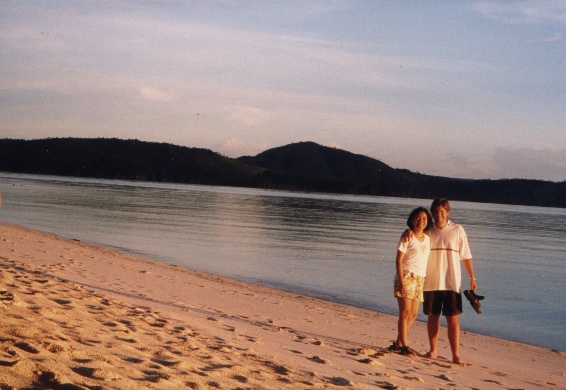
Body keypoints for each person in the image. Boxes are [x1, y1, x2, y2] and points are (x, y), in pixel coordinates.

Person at [402, 198, 478, 365]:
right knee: (433, 317)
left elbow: (466, 256)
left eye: (442, 211)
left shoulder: (457, 230)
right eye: (435, 212)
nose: (439, 214)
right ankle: (433, 350)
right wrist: (408, 231)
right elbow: (414, 235)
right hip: (430, 280)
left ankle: (455, 355)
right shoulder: (428, 230)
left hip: (451, 282)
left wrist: (472, 277)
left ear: (448, 212)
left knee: (453, 319)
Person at [390, 207, 432, 356]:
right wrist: (401, 281)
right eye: (418, 218)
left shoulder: (427, 239)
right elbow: (399, 260)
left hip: (420, 279)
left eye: (424, 219)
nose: (421, 221)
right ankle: (404, 345)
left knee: (413, 314)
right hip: (406, 276)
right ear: (412, 219)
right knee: (405, 312)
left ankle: (399, 343)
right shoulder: (407, 237)